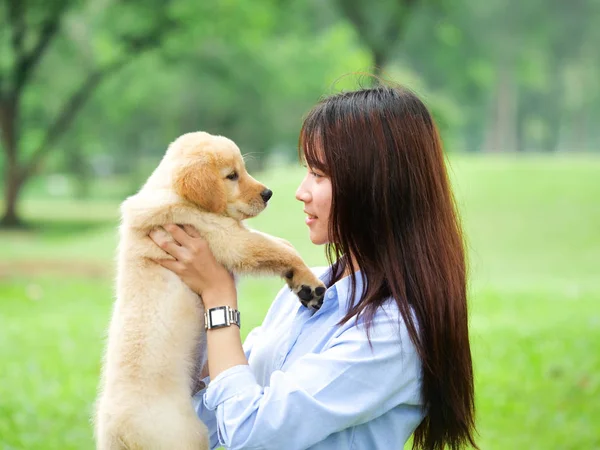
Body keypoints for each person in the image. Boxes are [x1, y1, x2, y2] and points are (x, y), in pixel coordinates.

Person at [149, 84, 478, 450]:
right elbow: (215, 420)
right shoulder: (308, 290)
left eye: (319, 175)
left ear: (374, 186)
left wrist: (218, 297)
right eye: (306, 171)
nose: (300, 191)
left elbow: (251, 433)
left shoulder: (392, 330)